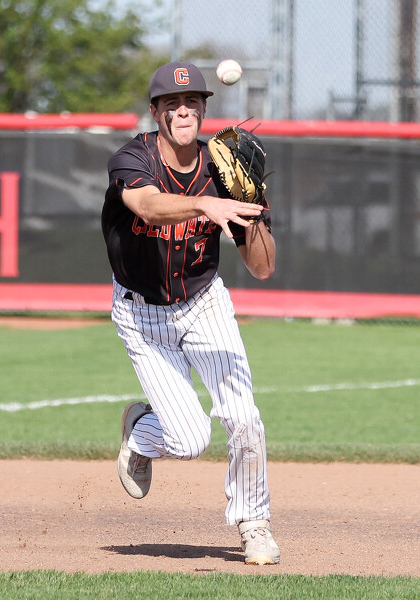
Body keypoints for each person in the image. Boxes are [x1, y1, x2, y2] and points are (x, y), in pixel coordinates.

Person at [101, 61, 279, 566]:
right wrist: (206, 205)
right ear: (155, 111)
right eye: (172, 103)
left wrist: (252, 207)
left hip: (204, 303)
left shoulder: (223, 170)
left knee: (243, 416)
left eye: (193, 102)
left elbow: (263, 267)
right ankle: (141, 431)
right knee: (189, 439)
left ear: (203, 110)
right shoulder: (131, 158)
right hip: (142, 315)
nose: (184, 111)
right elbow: (148, 206)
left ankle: (254, 523)